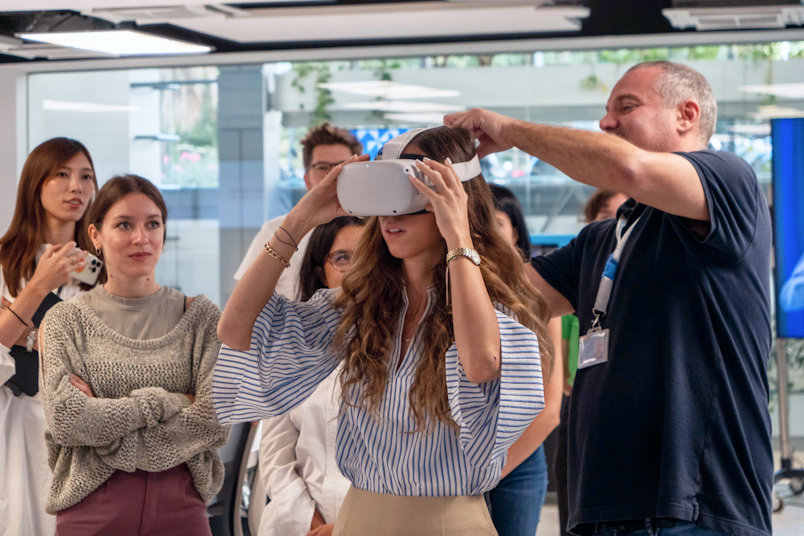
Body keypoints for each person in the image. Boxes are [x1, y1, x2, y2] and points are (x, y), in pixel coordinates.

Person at [446, 60, 773, 536]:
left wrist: (509, 130)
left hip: (695, 506)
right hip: (600, 508)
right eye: (606, 111)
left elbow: (627, 166)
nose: (606, 122)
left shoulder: (728, 179)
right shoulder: (604, 236)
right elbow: (496, 300)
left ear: (686, 114)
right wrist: (455, 205)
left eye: (627, 106)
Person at [214, 126, 553, 535]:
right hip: (360, 517)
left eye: (413, 195)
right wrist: (300, 220)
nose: (393, 214)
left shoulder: (497, 304)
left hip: (446, 522)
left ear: (453, 198)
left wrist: (457, 235)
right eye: (386, 197)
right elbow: (235, 331)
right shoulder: (363, 308)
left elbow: (481, 363)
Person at [39, 175, 229, 536]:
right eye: (124, 224)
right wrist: (170, 402)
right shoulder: (65, 320)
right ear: (95, 235)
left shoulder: (202, 318)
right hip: (92, 506)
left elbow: (214, 419)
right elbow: (67, 420)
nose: (141, 238)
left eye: (152, 224)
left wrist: (102, 418)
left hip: (182, 504)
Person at [0, 137, 97, 536]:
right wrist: (39, 286)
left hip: (90, 432)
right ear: (35, 184)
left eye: (85, 176)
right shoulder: (6, 261)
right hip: (20, 427)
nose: (76, 186)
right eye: (62, 174)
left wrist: (32, 336)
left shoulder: (103, 268)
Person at [259, 216, 363, 536]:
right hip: (300, 525)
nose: (356, 269)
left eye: (368, 256)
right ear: (321, 269)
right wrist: (313, 523)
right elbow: (275, 457)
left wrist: (347, 527)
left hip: (375, 522)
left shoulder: (404, 343)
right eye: (343, 257)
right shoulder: (290, 346)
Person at [486, 183, 564, 536]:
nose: (484, 234)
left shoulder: (539, 294)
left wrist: (488, 472)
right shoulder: (441, 289)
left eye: (496, 223)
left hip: (519, 463)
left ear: (515, 230)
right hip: (448, 462)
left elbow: (550, 409)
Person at [554, 189, 628, 536]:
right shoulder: (582, 268)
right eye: (605, 216)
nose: (616, 226)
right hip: (581, 411)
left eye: (624, 217)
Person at [234, 123, 363, 297]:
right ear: (307, 179)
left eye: (342, 166)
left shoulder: (375, 227)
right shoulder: (276, 231)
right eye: (323, 167)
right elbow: (244, 301)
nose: (333, 175)